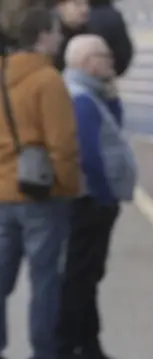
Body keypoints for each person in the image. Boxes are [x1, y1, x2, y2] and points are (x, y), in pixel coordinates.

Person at [0, 7, 80, 359]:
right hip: (41, 196)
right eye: (57, 32)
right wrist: (67, 188)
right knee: (44, 281)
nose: (61, 38)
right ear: (43, 36)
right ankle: (44, 353)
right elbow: (62, 145)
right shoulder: (48, 80)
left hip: (2, 195)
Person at [58, 34, 136, 359]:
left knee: (86, 275)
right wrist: (105, 197)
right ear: (88, 62)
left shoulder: (90, 95)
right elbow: (89, 156)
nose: (112, 61)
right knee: (81, 276)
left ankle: (87, 345)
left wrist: (113, 96)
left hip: (91, 202)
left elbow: (113, 130)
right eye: (105, 56)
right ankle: (73, 345)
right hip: (91, 203)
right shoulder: (82, 99)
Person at [54, 0, 90, 71]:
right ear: (61, 7)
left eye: (87, 4)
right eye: (78, 4)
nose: (85, 9)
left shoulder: (92, 34)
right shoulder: (54, 37)